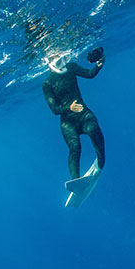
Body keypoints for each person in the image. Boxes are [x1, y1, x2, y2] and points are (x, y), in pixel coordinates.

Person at [42, 50, 106, 180]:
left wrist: (98, 65)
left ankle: (101, 161)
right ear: (50, 64)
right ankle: (76, 180)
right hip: (68, 122)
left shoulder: (71, 67)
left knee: (94, 130)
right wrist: (69, 108)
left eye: (64, 59)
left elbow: (89, 74)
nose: (63, 64)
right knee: (75, 148)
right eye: (59, 62)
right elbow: (54, 109)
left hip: (84, 114)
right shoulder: (47, 84)